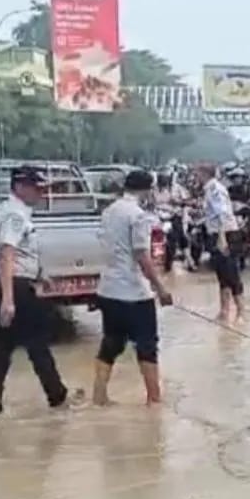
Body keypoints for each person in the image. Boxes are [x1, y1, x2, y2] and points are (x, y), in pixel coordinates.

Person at [0, 166, 80, 415]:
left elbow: (19, 254)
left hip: (10, 282)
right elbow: (6, 254)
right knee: (36, 343)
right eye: (37, 188)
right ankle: (57, 397)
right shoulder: (15, 214)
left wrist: (39, 276)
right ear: (20, 187)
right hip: (13, 285)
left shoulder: (10, 209)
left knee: (3, 344)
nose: (41, 193)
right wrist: (8, 299)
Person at [93, 170, 174, 406]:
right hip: (134, 292)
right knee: (147, 344)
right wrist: (160, 288)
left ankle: (99, 396)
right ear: (147, 190)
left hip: (108, 289)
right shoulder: (139, 216)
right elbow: (142, 254)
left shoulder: (109, 211)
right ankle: (154, 399)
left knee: (111, 342)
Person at [198, 162, 244, 322]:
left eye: (198, 173)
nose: (196, 177)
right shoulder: (208, 189)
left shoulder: (215, 189)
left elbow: (222, 214)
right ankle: (224, 310)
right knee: (221, 274)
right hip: (215, 233)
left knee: (231, 273)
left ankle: (241, 312)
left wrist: (222, 238)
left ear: (204, 173)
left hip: (225, 233)